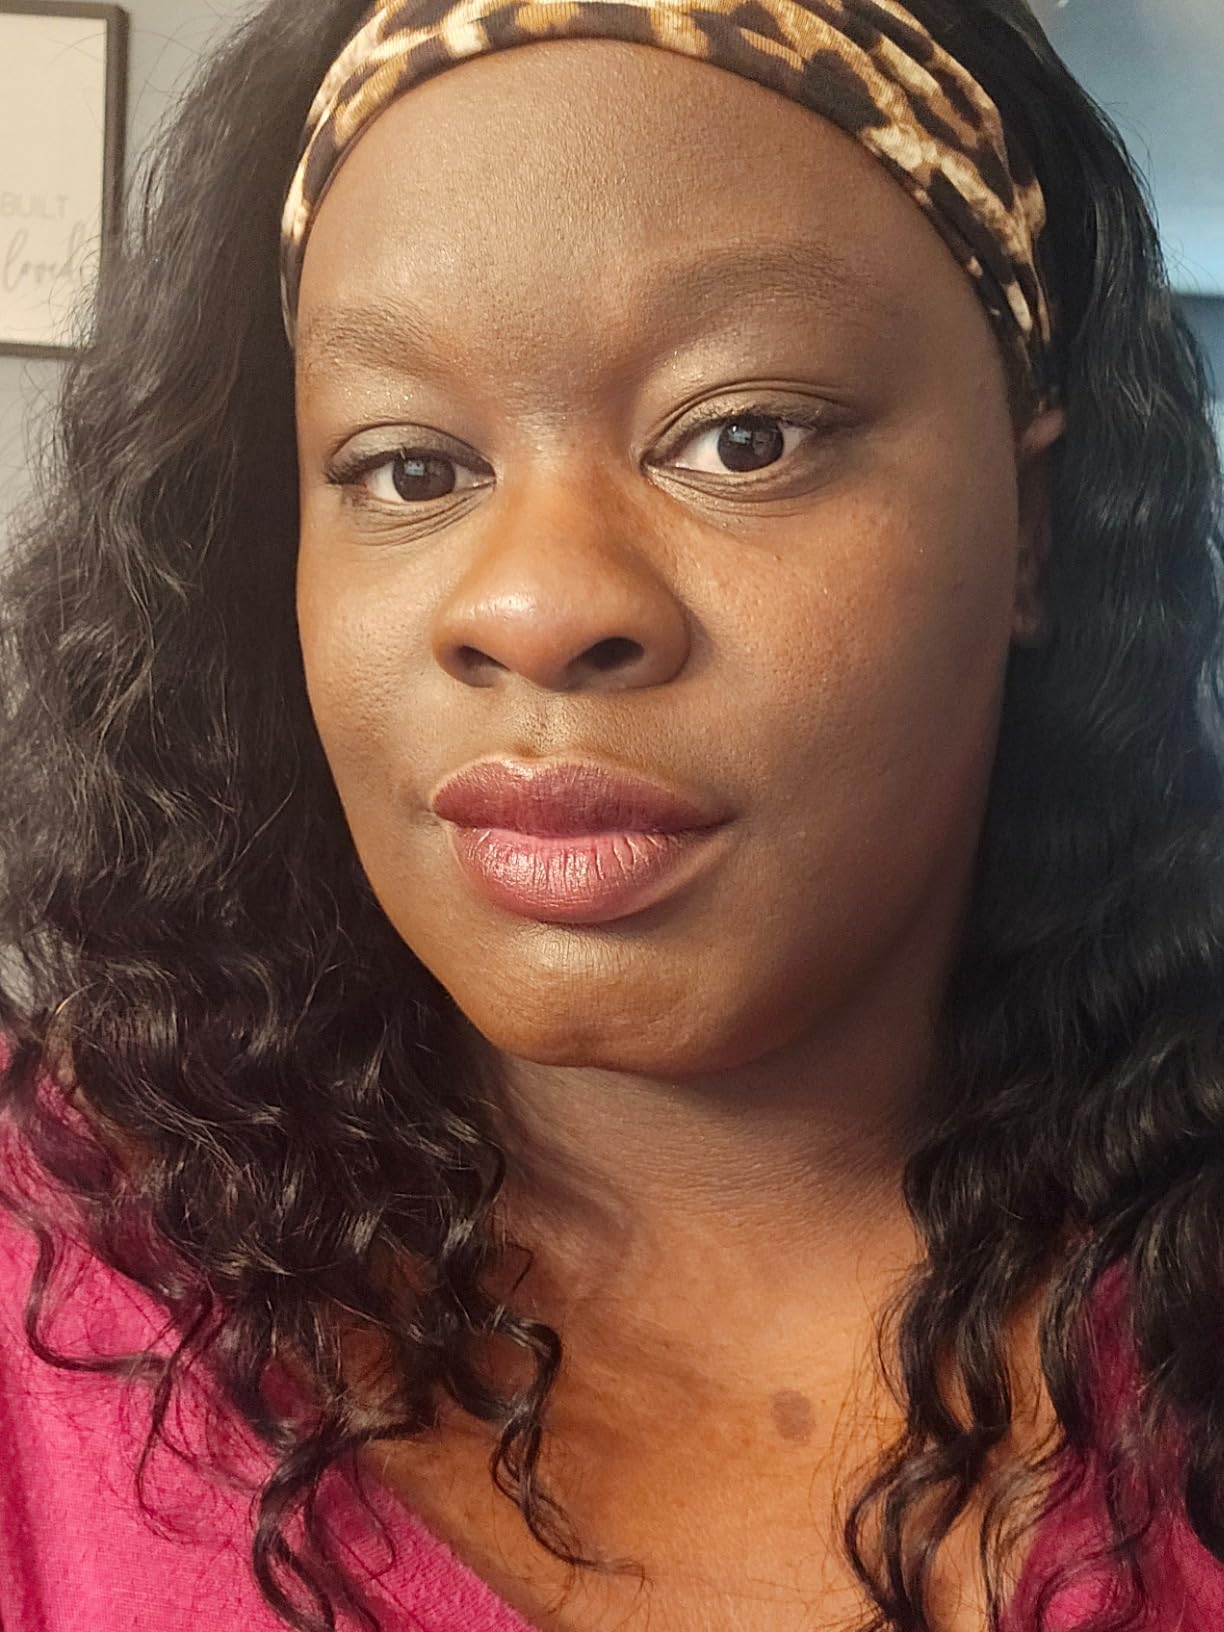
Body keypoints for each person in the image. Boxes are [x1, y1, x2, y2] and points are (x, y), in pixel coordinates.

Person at [1, 0, 1222, 1628]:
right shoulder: (52, 1266)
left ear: (1032, 531)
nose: (534, 608)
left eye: (743, 436)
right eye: (410, 470)